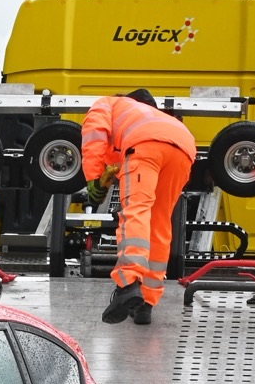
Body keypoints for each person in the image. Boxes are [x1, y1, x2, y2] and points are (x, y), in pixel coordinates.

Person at [81, 89, 197, 325]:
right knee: (159, 222)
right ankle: (147, 301)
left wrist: (93, 179)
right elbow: (116, 157)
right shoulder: (154, 116)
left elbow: (94, 136)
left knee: (136, 211)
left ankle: (129, 283)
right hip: (183, 150)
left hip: (145, 147)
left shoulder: (109, 103)